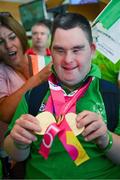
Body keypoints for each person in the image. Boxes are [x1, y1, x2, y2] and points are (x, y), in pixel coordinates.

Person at [4, 13, 120, 179]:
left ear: (92, 50)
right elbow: (14, 153)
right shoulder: (33, 96)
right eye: (60, 50)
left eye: (77, 49)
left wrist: (105, 138)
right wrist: (18, 142)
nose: (68, 59)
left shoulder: (113, 96)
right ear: (51, 51)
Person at [0, 12, 51, 178]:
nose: (8, 45)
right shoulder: (2, 71)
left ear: (21, 36)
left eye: (12, 37)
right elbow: (5, 113)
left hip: (45, 145)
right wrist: (39, 78)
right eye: (0, 41)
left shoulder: (41, 60)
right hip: (15, 151)